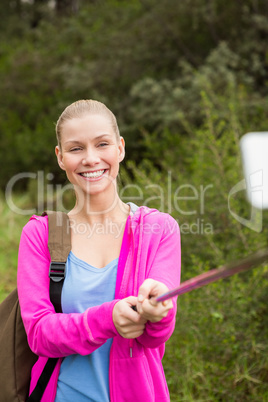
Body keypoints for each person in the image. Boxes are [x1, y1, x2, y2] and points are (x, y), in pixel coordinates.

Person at [17, 99, 181, 401]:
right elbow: (39, 334)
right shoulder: (39, 234)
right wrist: (106, 319)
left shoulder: (160, 229)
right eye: (76, 148)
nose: (91, 159)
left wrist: (160, 312)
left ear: (120, 148)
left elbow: (156, 336)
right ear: (60, 157)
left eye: (102, 144)